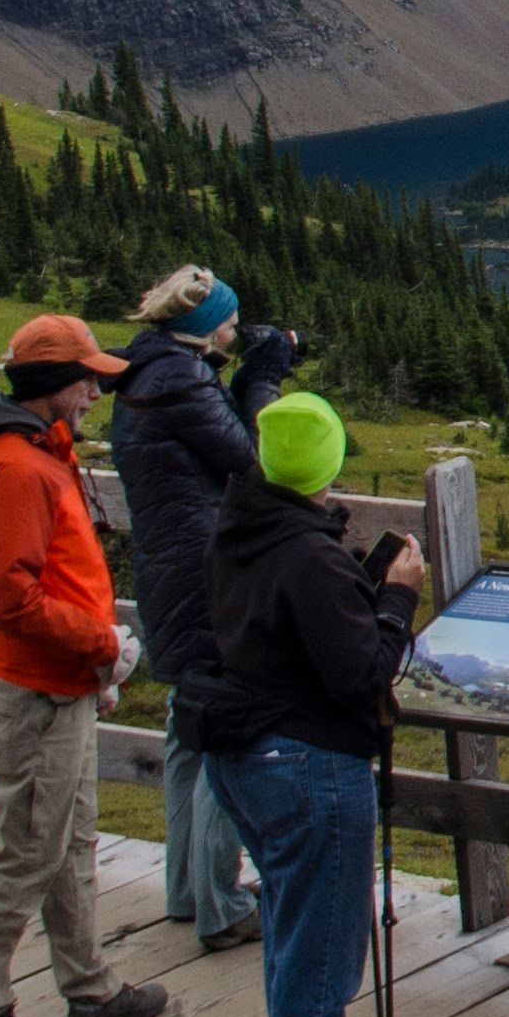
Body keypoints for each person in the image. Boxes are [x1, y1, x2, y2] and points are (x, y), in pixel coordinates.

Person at [208, 389, 427, 1017]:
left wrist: (359, 586)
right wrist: (398, 594)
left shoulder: (244, 530)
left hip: (252, 759)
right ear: (328, 463)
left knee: (294, 939)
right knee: (322, 958)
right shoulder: (307, 555)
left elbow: (300, 633)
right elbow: (361, 671)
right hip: (312, 767)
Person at [0, 312, 176, 1017]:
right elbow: (3, 594)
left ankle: (90, 989)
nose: (94, 395)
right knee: (26, 851)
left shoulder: (39, 453)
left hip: (55, 683)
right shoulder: (20, 469)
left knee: (69, 838)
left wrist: (91, 668)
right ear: (54, 385)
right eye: (87, 382)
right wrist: (103, 646)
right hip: (33, 691)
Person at [112, 264, 298, 951]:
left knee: (188, 728)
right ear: (202, 325)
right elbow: (253, 457)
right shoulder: (184, 381)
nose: (232, 328)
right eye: (227, 318)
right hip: (208, 577)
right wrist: (263, 376)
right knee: (227, 730)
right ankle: (222, 903)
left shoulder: (146, 370)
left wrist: (244, 368)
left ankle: (188, 888)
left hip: (170, 575)